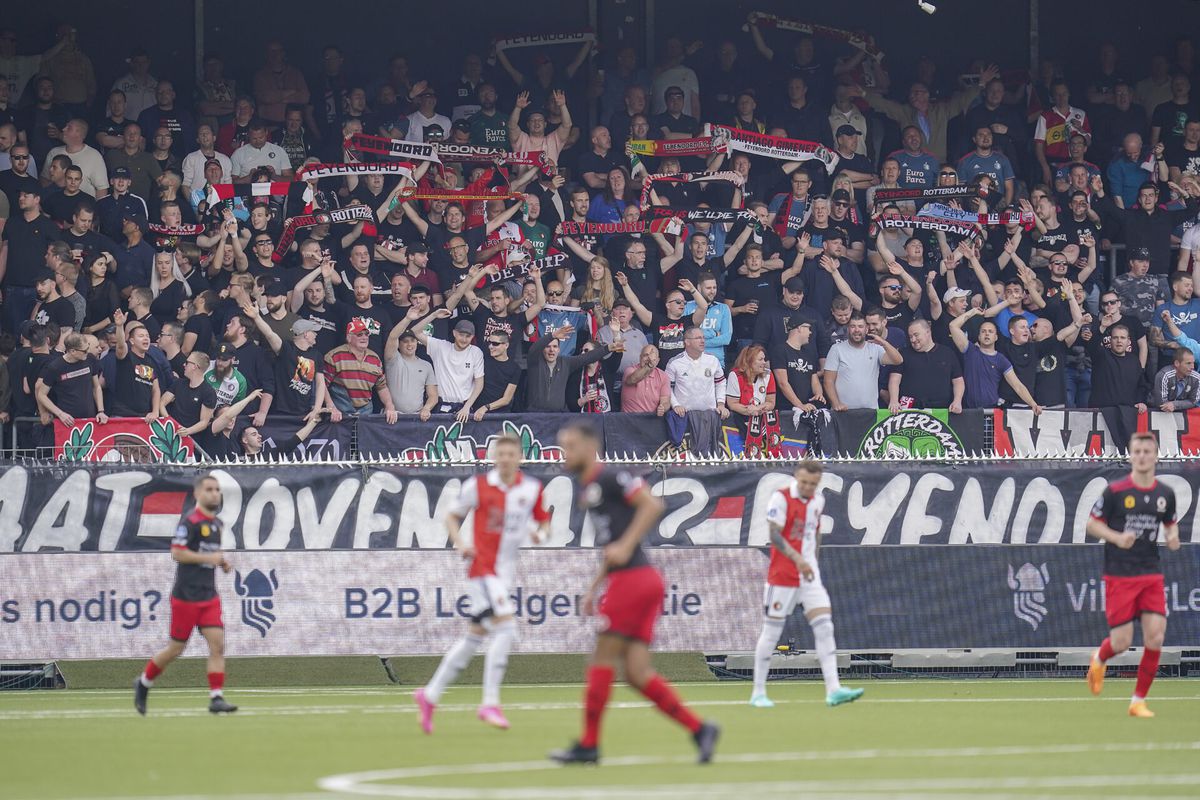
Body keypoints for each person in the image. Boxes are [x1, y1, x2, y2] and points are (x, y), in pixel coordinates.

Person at [549, 421, 719, 765]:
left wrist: (626, 546)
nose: (563, 453)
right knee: (637, 674)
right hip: (636, 580)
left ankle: (589, 745)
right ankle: (700, 729)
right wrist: (595, 586)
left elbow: (652, 506)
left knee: (600, 659)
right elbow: (611, 547)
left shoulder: (609, 477)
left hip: (634, 580)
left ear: (587, 447)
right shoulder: (588, 488)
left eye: (569, 446)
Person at [414, 434, 551, 733]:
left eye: (510, 453)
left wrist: (541, 534)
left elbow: (544, 521)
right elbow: (451, 517)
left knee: (475, 636)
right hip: (482, 569)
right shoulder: (477, 486)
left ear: (519, 457)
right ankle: (490, 702)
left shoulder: (531, 488)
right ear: (494, 457)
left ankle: (430, 694)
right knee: (507, 627)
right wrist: (461, 542)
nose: (505, 458)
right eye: (500, 454)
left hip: (505, 573)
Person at [750, 460, 864, 709]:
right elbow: (774, 535)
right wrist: (798, 559)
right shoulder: (780, 499)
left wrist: (813, 562)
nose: (807, 487)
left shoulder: (817, 502)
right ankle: (758, 692)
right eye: (804, 482)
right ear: (796, 477)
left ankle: (833, 690)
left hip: (809, 576)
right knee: (771, 632)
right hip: (782, 576)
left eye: (813, 484)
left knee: (825, 627)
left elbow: (816, 534)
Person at [1085, 432, 1181, 718]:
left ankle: (1138, 701)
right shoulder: (1115, 492)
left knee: (1155, 637)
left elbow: (1170, 524)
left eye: (1147, 451)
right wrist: (1116, 537)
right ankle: (1099, 658)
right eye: (1137, 451)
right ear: (1130, 455)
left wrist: (1173, 537)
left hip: (1151, 572)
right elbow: (1092, 525)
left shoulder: (1166, 494)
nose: (1141, 456)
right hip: (1119, 574)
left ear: (1156, 456)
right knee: (1122, 642)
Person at [133, 474, 237, 715]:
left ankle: (216, 698)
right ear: (198, 494)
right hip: (186, 596)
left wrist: (221, 562)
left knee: (218, 645)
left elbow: (210, 554)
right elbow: (177, 553)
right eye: (209, 489)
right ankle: (144, 682)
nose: (214, 493)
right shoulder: (189, 522)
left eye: (217, 489)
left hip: (209, 595)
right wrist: (209, 558)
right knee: (175, 649)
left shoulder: (217, 525)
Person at [823, 313, 904, 411]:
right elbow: (828, 381)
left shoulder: (876, 348)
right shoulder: (836, 349)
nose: (856, 330)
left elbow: (898, 360)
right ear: (848, 329)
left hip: (870, 411)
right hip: (843, 412)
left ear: (866, 330)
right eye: (853, 326)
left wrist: (884, 343)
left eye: (860, 326)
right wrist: (836, 404)